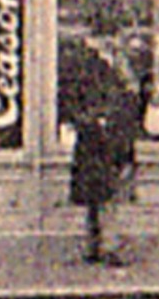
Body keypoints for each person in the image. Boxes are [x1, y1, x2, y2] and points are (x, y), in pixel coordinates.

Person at [60, 24, 142, 266]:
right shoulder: (87, 64)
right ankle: (105, 246)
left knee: (105, 193)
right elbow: (72, 98)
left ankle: (98, 245)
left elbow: (130, 95)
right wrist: (93, 119)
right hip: (96, 137)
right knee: (103, 194)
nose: (116, 43)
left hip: (114, 137)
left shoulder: (119, 63)